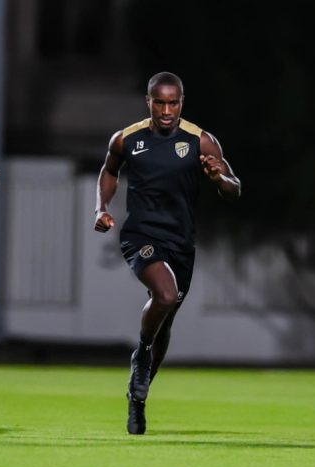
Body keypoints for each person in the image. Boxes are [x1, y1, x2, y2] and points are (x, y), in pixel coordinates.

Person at [94, 72, 241, 435]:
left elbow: (233, 189)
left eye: (172, 103)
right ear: (148, 101)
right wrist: (101, 207)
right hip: (140, 235)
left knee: (166, 321)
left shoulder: (200, 140)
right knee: (164, 293)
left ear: (181, 102)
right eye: (159, 102)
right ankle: (140, 353)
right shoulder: (127, 139)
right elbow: (109, 170)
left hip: (181, 242)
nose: (165, 110)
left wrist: (218, 177)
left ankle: (137, 398)